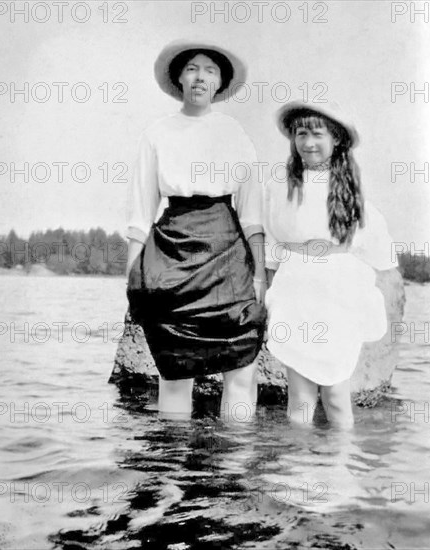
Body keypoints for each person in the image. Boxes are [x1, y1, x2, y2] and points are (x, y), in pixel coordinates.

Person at [126, 40, 267, 421]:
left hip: (228, 254)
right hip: (172, 254)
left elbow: (253, 213)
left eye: (210, 70)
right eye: (191, 68)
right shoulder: (157, 133)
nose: (200, 76)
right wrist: (132, 274)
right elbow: (140, 213)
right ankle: (172, 473)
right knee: (174, 374)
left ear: (220, 82)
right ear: (179, 78)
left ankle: (234, 469)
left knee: (241, 365)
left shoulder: (235, 132)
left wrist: (259, 274)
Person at [264, 101, 396, 429]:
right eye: (300, 133)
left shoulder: (352, 192)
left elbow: (379, 254)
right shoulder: (280, 187)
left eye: (317, 133)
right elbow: (269, 245)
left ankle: (338, 470)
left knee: (336, 396)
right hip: (295, 294)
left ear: (335, 138)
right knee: (299, 398)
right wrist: (266, 295)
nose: (308, 142)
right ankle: (298, 473)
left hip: (337, 299)